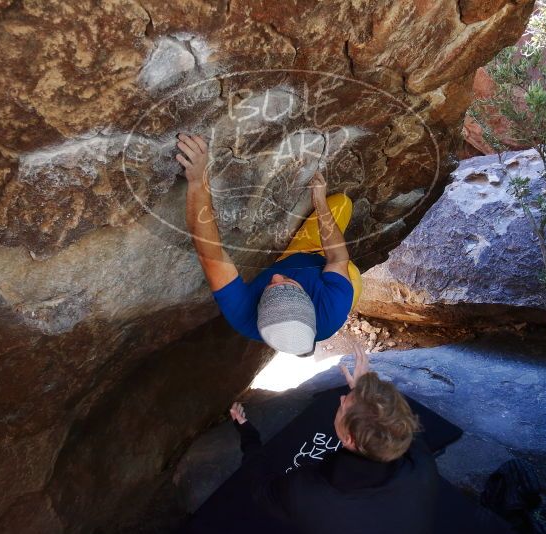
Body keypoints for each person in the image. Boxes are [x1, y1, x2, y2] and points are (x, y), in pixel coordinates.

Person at [176, 133, 362, 356]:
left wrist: (198, 181)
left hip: (300, 258)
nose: (275, 276)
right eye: (287, 283)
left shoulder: (243, 316)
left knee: (339, 206)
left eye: (269, 289)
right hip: (336, 269)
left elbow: (209, 253)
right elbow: (337, 258)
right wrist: (320, 204)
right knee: (342, 202)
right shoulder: (334, 306)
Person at [229, 345, 439, 534]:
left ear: (348, 439)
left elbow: (261, 488)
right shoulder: (421, 466)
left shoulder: (308, 494)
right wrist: (365, 391)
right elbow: (396, 422)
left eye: (344, 405)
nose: (340, 397)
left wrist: (248, 434)